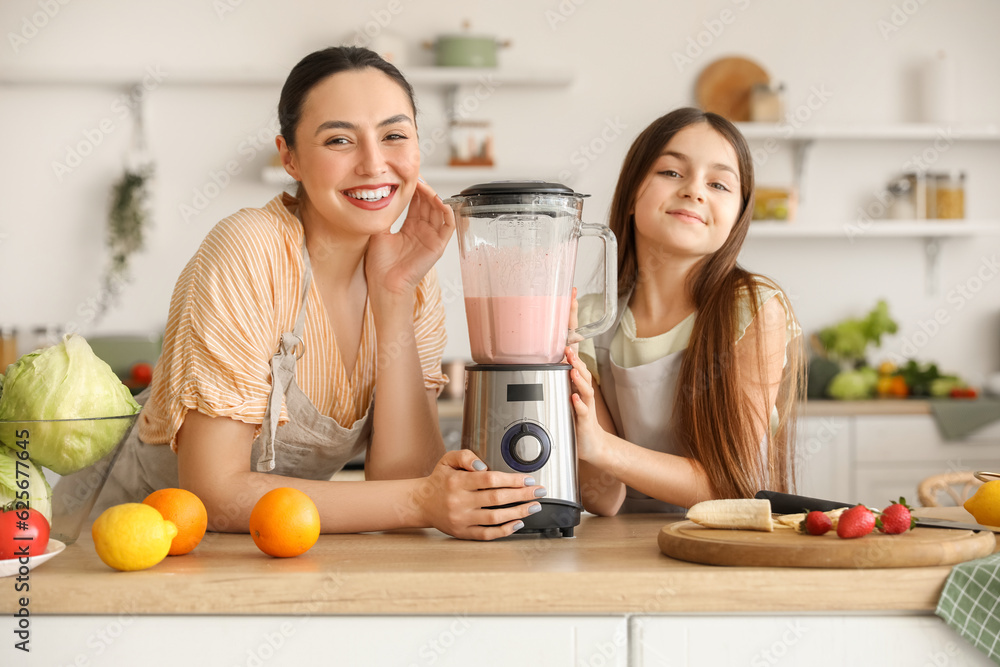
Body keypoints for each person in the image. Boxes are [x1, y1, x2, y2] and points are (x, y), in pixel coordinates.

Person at [93, 46, 543, 540]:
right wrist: (421, 500)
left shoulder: (408, 273)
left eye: (395, 135)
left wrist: (394, 294)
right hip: (120, 547)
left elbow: (406, 480)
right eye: (339, 140)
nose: (374, 165)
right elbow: (212, 494)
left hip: (269, 553)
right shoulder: (249, 249)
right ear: (290, 157)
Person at [566, 107, 805, 516]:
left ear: (736, 217)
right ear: (630, 194)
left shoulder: (753, 307)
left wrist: (604, 447)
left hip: (726, 545)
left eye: (719, 183)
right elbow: (603, 497)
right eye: (671, 173)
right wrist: (555, 360)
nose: (694, 191)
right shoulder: (590, 318)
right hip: (619, 551)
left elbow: (734, 484)